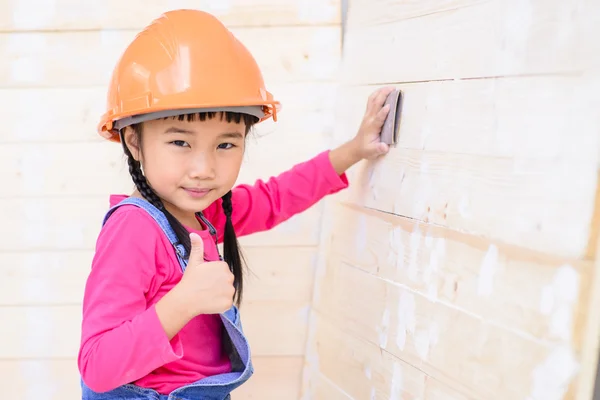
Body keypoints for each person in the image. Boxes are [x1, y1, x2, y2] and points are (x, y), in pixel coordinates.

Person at [77, 8, 394, 400]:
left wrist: (353, 150)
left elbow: (277, 196)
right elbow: (97, 366)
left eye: (225, 144)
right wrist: (183, 302)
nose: (204, 168)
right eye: (180, 142)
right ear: (133, 140)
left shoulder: (207, 213)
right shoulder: (133, 231)